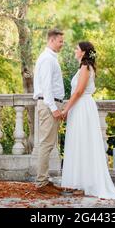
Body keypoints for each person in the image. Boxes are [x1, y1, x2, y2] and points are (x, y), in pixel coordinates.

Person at [61, 41, 115, 200]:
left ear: (84, 52)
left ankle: (86, 184)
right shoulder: (83, 67)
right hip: (79, 107)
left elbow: (79, 92)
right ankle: (79, 183)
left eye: (77, 49)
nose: (74, 50)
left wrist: (66, 109)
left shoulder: (86, 68)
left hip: (82, 107)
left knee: (84, 143)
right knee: (79, 143)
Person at [33, 28, 81, 196]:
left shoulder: (51, 58)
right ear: (52, 40)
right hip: (48, 106)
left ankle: (44, 180)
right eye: (60, 41)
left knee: (48, 144)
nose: (62, 44)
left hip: (51, 105)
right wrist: (54, 109)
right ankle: (41, 183)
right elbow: (46, 87)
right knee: (46, 144)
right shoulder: (47, 59)